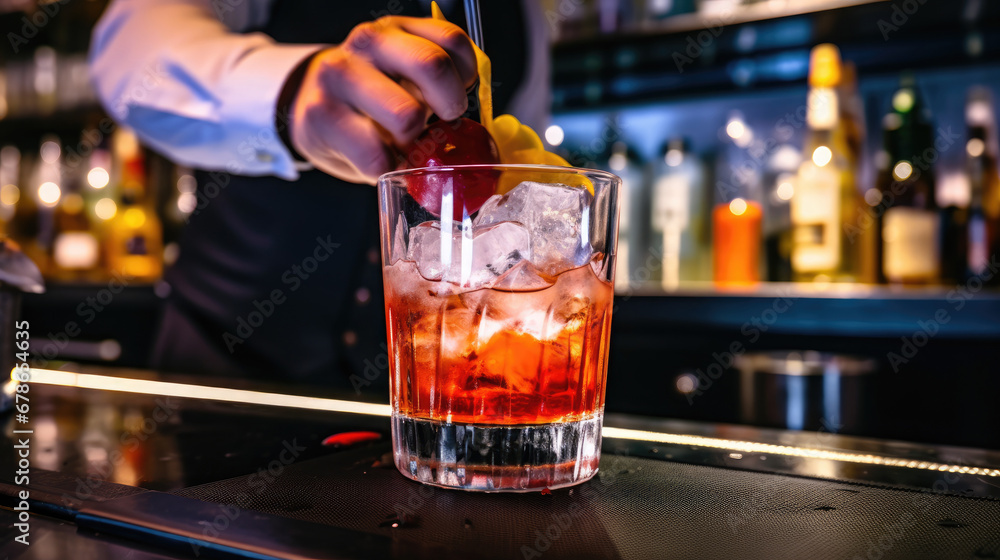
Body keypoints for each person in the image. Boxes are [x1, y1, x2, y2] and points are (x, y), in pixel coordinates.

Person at [89, 0, 550, 395]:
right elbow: (128, 51)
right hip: (227, 367)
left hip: (414, 399)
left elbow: (517, 174)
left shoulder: (524, 13)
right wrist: (290, 93)